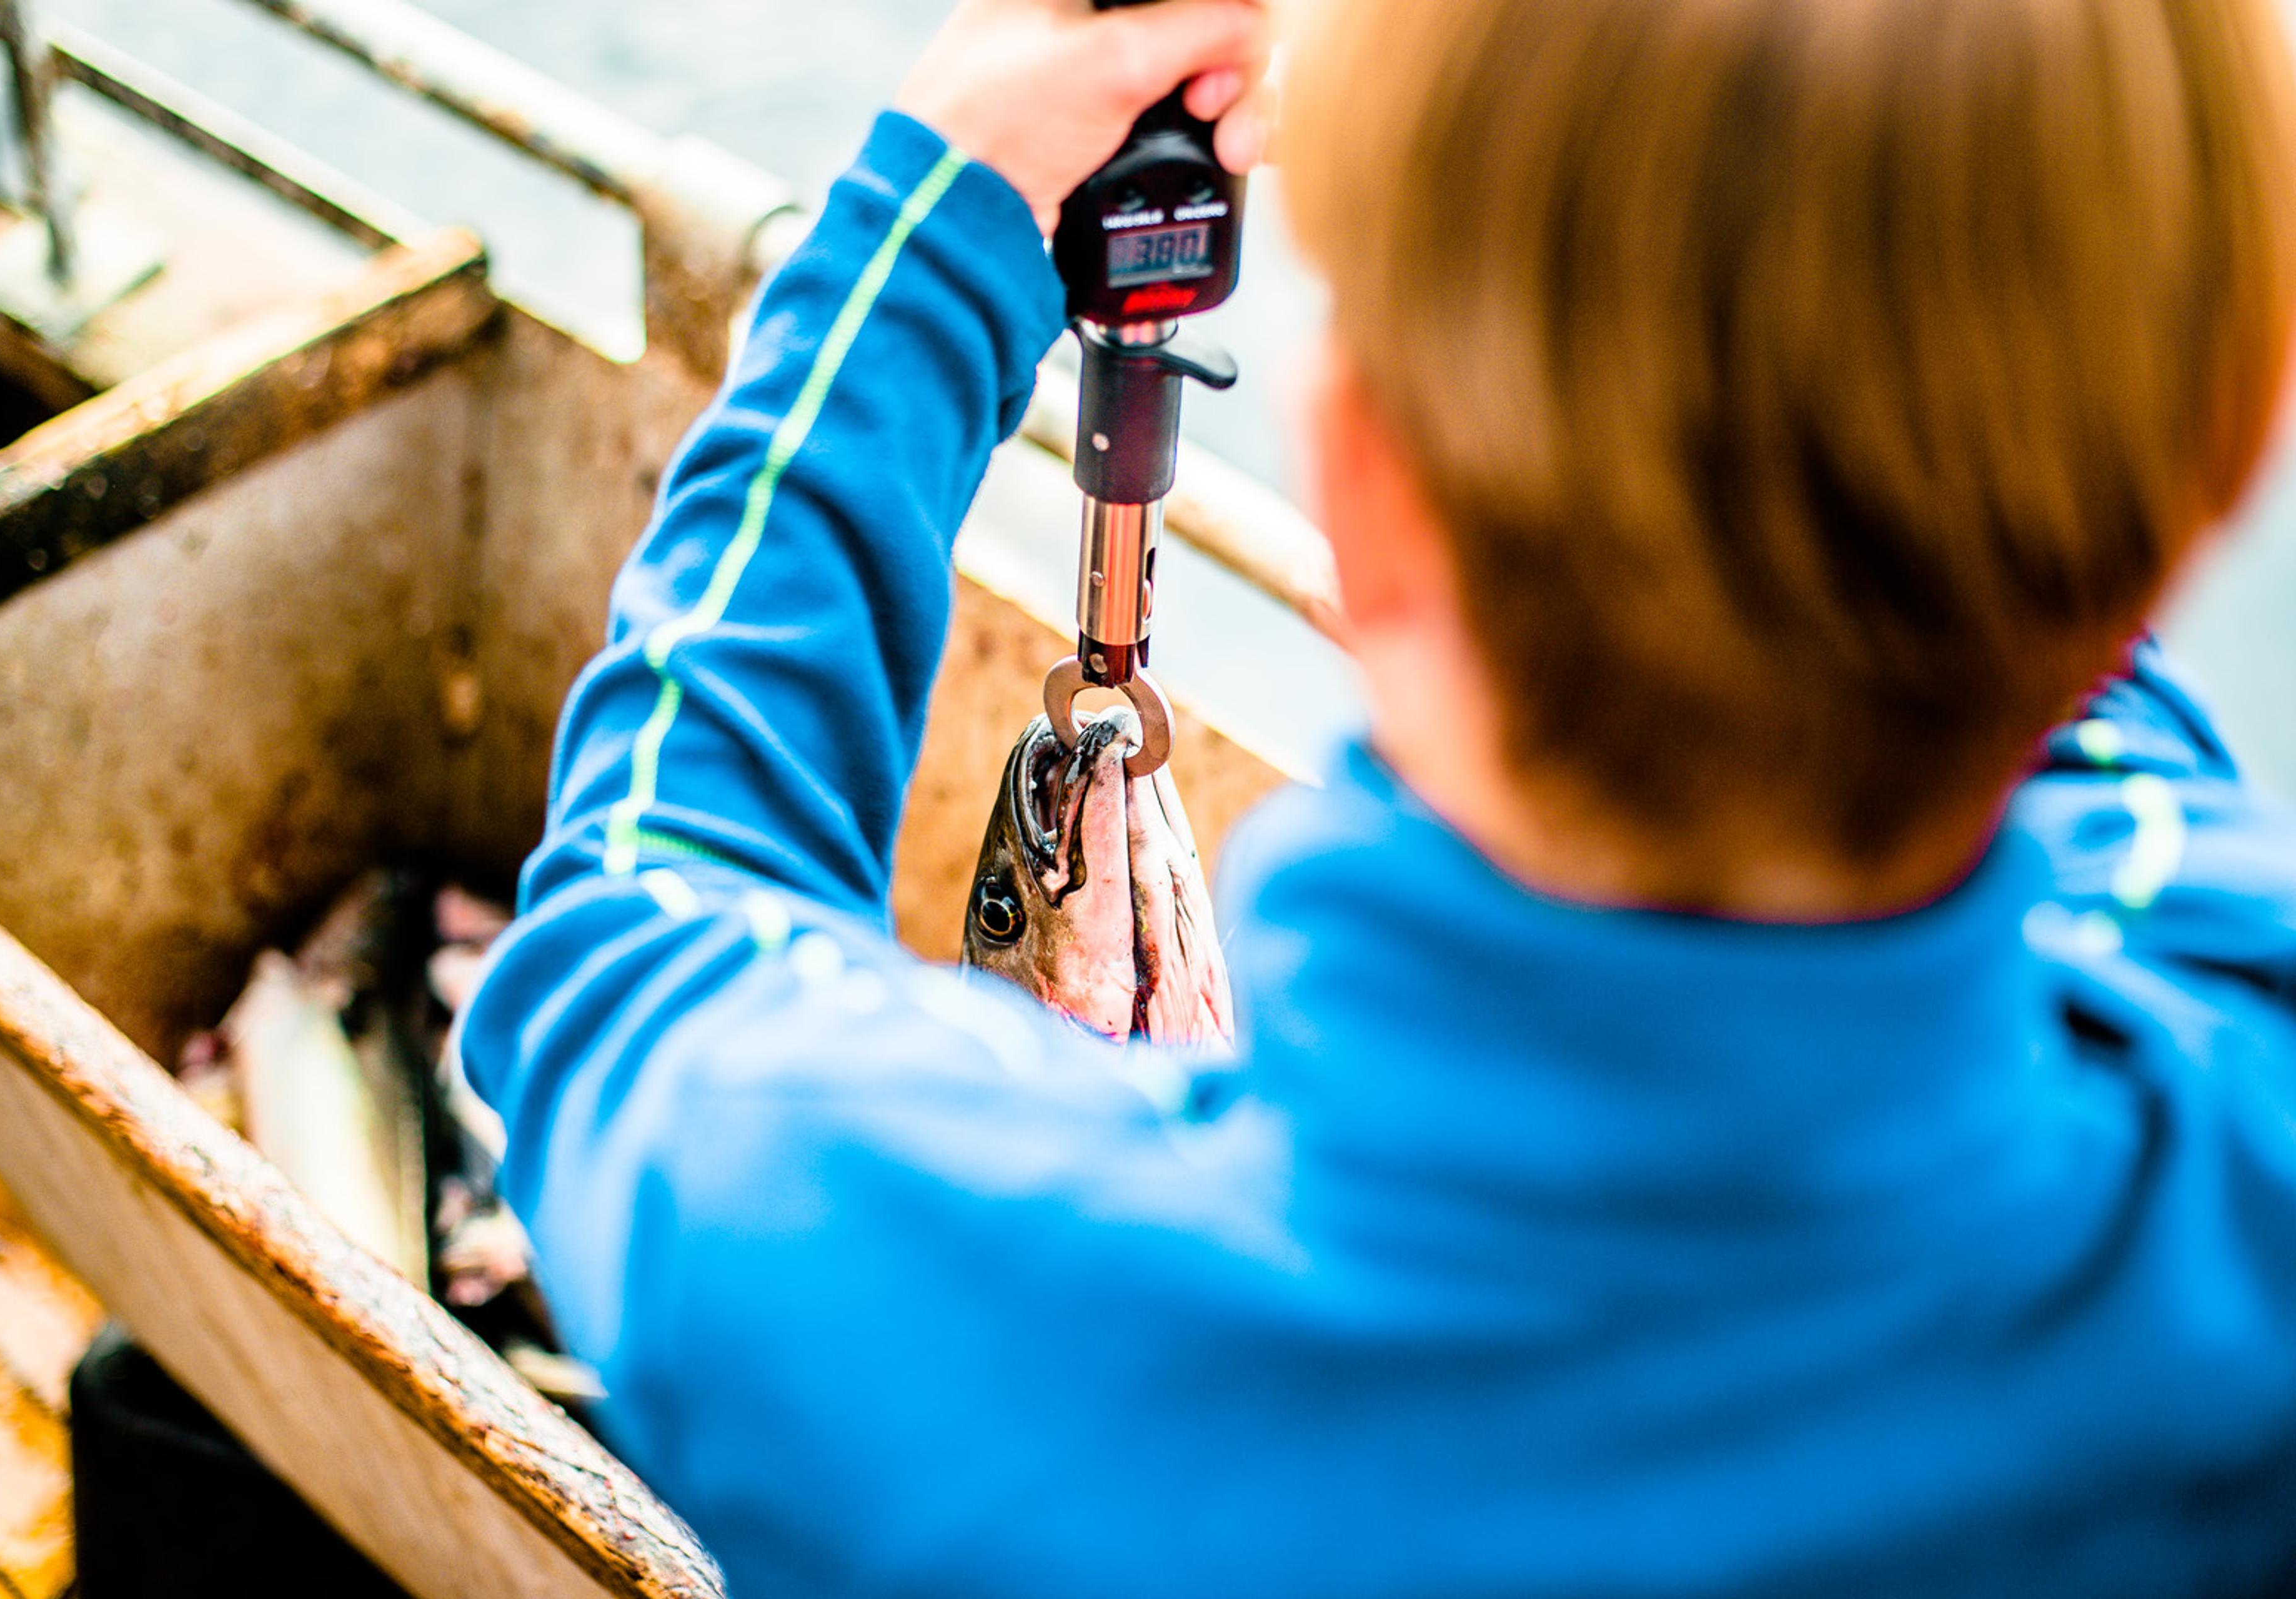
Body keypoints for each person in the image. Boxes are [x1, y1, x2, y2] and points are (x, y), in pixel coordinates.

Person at [460, 0, 2296, 1592]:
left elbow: (643, 914)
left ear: (1367, 493)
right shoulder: (2246, 1172)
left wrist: (926, 250)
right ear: (2192, 503)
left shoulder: (923, 1284)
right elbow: (2079, 688)